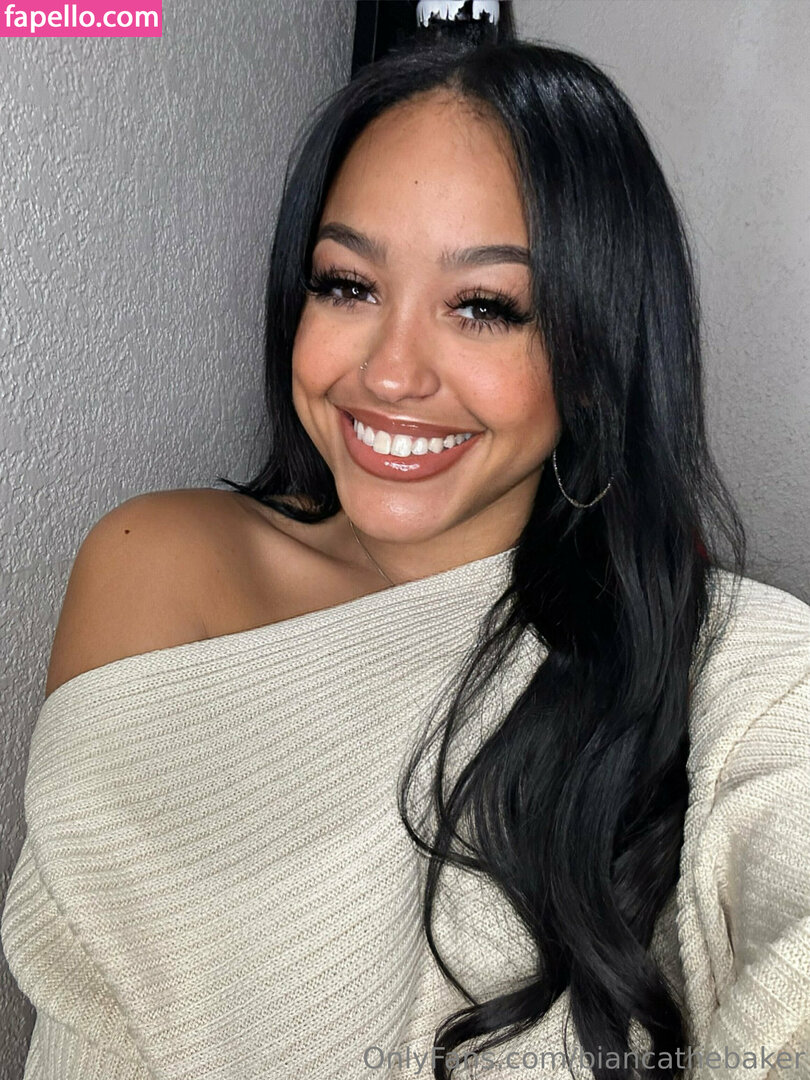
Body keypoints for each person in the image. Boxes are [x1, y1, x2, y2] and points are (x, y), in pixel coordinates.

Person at [2, 34, 809, 1080]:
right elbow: (87, 1009)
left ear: (596, 357)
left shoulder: (736, 663)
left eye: (484, 307)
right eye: (348, 285)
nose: (390, 373)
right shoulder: (156, 565)